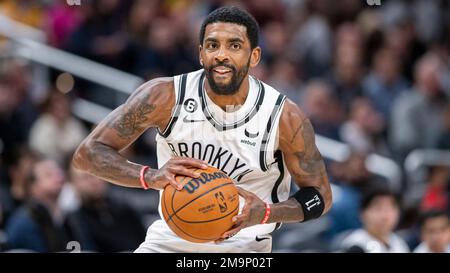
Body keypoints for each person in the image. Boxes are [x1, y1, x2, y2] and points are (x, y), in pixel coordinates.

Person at [73, 6, 332, 253]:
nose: (221, 54)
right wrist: (149, 176)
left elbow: (320, 196)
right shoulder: (164, 96)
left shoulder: (284, 116)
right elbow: (87, 154)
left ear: (254, 56)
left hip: (243, 245)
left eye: (234, 45)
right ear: (200, 53)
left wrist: (267, 212)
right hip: (169, 238)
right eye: (212, 45)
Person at [64, 168, 146, 252]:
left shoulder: (125, 210)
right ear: (73, 183)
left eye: (98, 174)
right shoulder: (74, 221)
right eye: (86, 177)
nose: (95, 181)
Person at [5, 159, 67, 252]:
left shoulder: (61, 216)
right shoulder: (24, 222)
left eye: (58, 172)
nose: (58, 177)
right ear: (33, 186)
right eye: (48, 175)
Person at [339, 187, 409, 253]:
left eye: (390, 209)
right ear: (362, 213)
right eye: (378, 208)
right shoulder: (354, 245)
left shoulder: (399, 243)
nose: (385, 216)